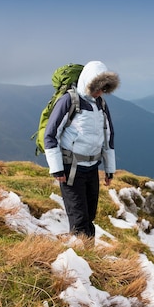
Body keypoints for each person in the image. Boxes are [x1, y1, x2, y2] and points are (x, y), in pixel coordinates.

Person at [43, 60, 120, 238]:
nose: (100, 92)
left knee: (89, 217)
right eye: (97, 87)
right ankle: (82, 258)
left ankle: (87, 258)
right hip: (71, 169)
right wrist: (57, 169)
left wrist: (109, 170)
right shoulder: (68, 101)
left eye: (104, 88)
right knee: (79, 219)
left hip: (92, 168)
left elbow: (109, 137)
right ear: (87, 82)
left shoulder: (100, 104)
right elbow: (50, 135)